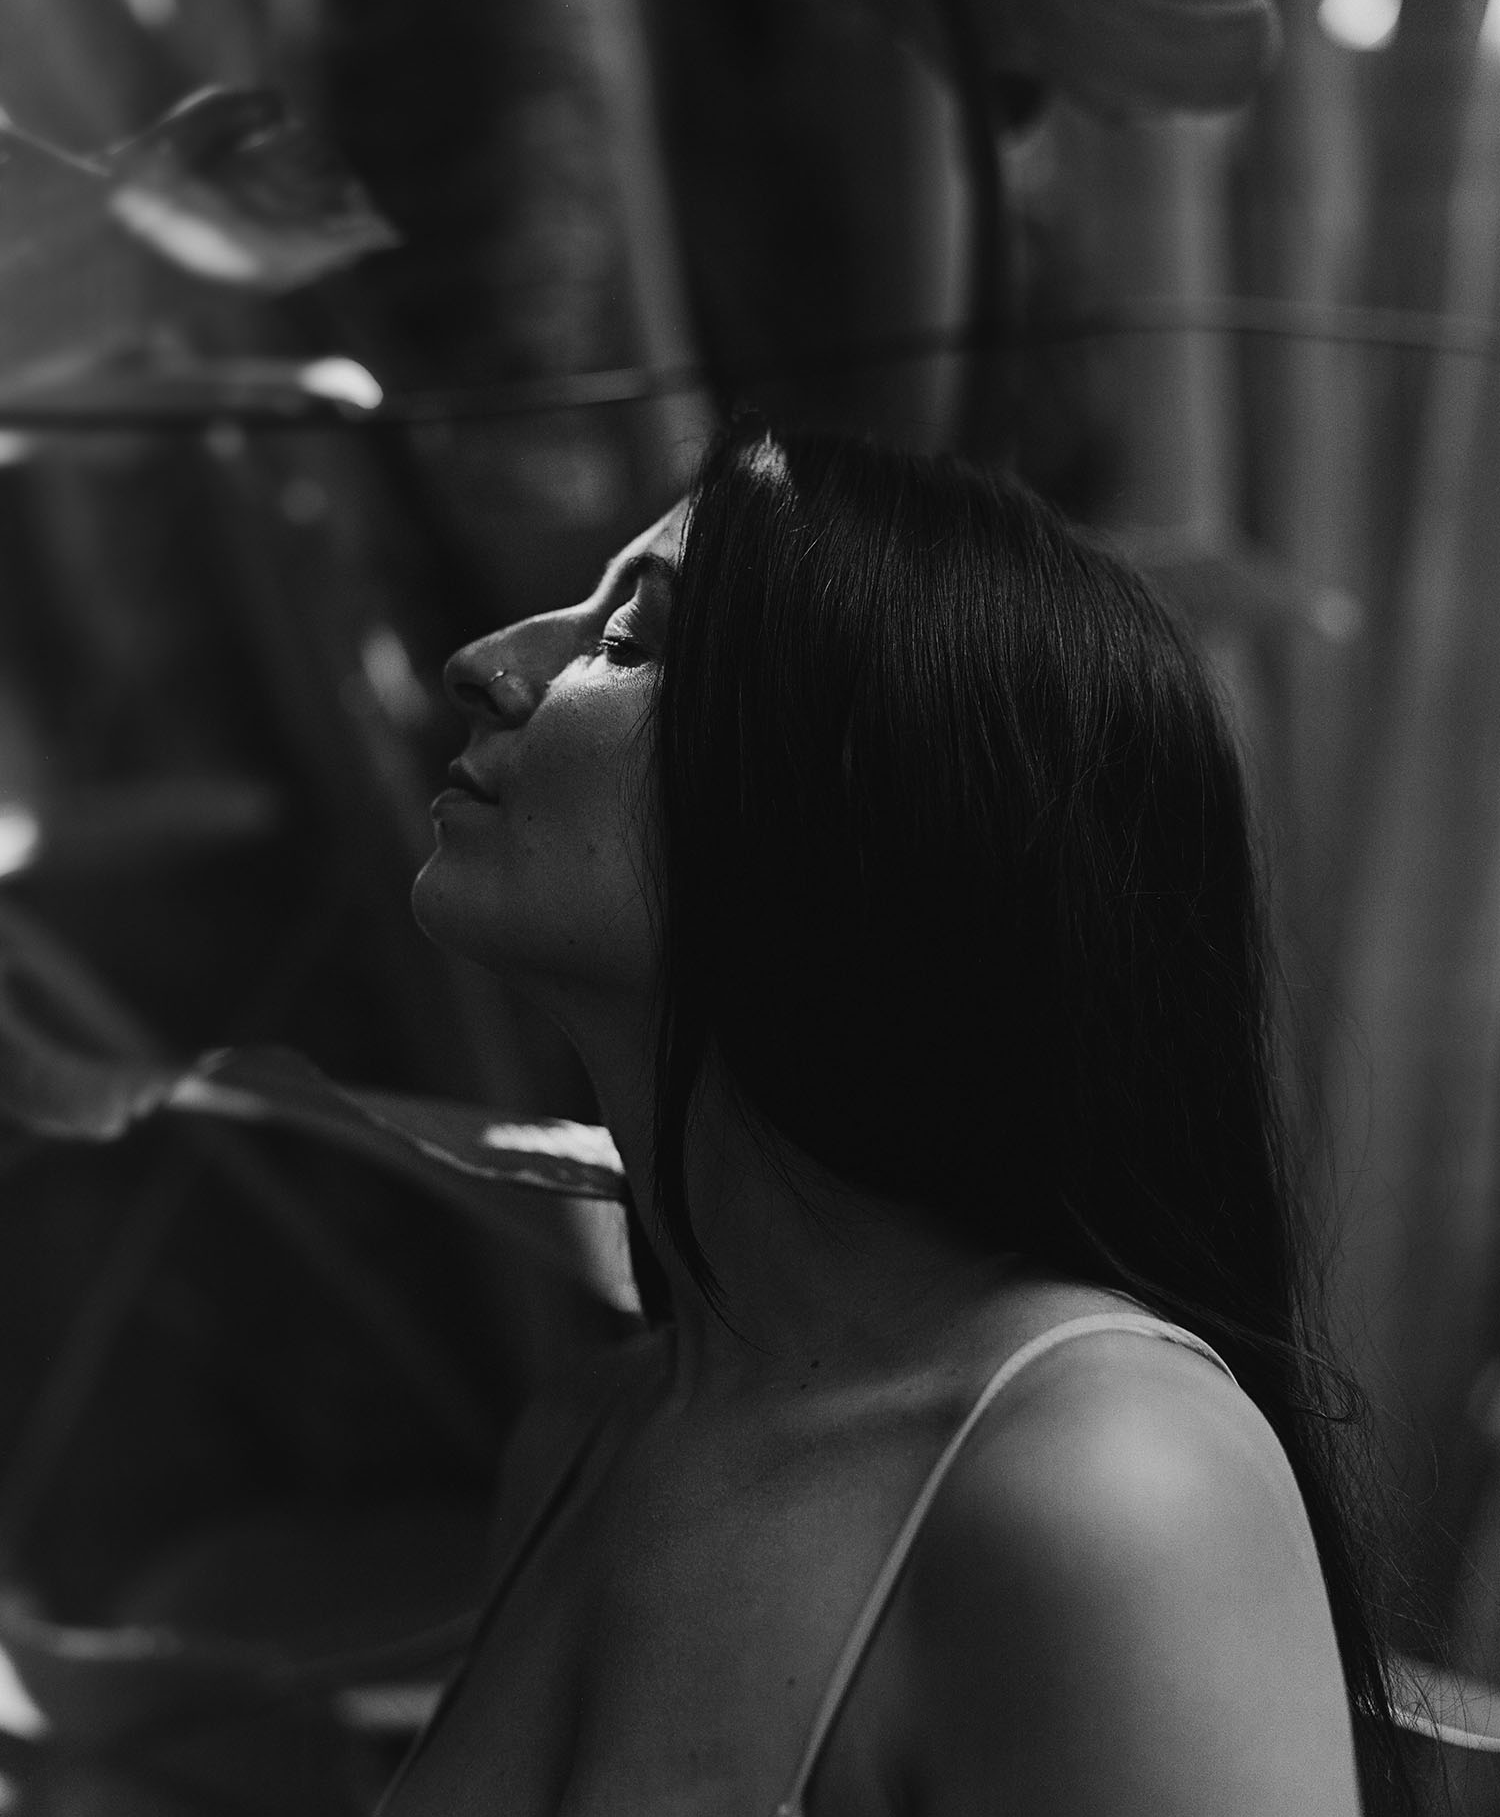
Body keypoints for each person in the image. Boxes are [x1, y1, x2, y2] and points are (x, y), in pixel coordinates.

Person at [394, 423, 1411, 1815]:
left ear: (862, 808)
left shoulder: (1106, 1484)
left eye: (630, 641)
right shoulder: (586, 1438)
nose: (486, 663)